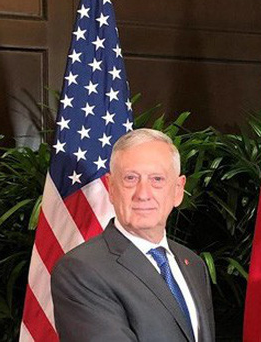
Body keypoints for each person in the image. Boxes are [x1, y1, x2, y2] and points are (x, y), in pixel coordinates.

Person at [51, 128, 215, 342]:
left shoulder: (193, 265)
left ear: (177, 190)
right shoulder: (80, 270)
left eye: (157, 179)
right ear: (111, 188)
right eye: (130, 178)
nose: (143, 194)